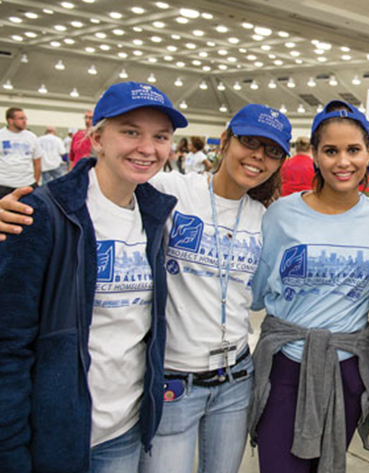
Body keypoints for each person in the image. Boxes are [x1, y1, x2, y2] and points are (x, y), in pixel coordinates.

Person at [0, 104, 292, 473]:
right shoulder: (166, 191)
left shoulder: (266, 218)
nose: (257, 156)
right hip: (173, 383)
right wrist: (18, 209)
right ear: (226, 141)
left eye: (272, 151)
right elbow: (93, 188)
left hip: (235, 378)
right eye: (249, 142)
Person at [0, 81, 187, 473]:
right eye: (131, 132)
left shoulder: (154, 217)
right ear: (98, 139)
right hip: (57, 436)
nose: (147, 148)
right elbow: (9, 344)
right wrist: (9, 448)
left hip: (124, 429)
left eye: (160, 137)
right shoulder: (43, 214)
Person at [246, 100, 369, 473]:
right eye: (330, 151)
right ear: (314, 154)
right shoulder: (281, 214)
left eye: (353, 150)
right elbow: (255, 293)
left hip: (346, 369)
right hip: (284, 366)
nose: (342, 162)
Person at [0, 108, 41, 199]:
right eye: (21, 118)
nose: (25, 121)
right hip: (4, 185)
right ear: (10, 121)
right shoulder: (1, 135)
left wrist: (36, 182)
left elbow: (37, 161)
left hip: (26, 184)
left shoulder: (31, 137)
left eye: (25, 118)